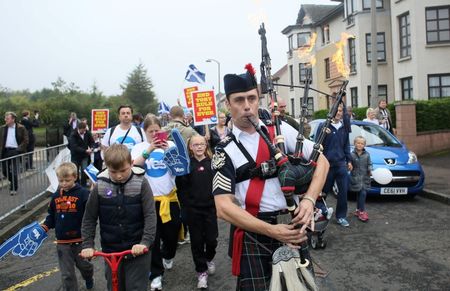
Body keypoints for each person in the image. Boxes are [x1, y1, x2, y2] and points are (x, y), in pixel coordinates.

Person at [212, 66, 329, 290]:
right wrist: (271, 231)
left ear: (259, 99)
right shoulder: (223, 151)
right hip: (256, 230)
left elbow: (322, 161)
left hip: (292, 224)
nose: (247, 106)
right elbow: (223, 207)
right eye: (238, 100)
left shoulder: (280, 129)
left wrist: (309, 199)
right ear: (228, 104)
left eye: (251, 98)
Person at [81, 144, 156, 291]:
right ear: (106, 166)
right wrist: (88, 245)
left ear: (132, 163)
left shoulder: (141, 182)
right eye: (113, 172)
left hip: (137, 249)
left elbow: (150, 215)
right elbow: (89, 218)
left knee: (135, 287)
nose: (119, 175)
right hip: (111, 251)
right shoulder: (100, 185)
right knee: (114, 287)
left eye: (123, 170)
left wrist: (145, 242)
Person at [131, 115, 182, 291]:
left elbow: (180, 169)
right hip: (148, 201)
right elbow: (133, 168)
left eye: (156, 131)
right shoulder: (139, 148)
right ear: (144, 132)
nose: (154, 134)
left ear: (162, 130)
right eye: (150, 131)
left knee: (172, 234)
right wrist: (150, 149)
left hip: (170, 198)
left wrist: (168, 150)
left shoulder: (171, 145)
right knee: (152, 238)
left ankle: (169, 254)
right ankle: (156, 275)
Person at [41, 162, 94, 290]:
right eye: (61, 181)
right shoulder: (56, 196)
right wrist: (45, 226)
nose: (64, 183)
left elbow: (90, 214)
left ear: (75, 177)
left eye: (67, 180)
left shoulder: (83, 194)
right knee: (67, 274)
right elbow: (52, 215)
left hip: (80, 240)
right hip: (62, 242)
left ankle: (88, 276)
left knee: (85, 266)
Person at [175, 135, 218, 289]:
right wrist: (185, 208)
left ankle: (209, 258)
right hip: (193, 210)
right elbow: (181, 189)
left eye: (202, 144)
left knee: (212, 240)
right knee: (197, 242)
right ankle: (201, 272)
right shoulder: (187, 165)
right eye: (195, 144)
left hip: (210, 209)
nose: (199, 147)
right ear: (190, 147)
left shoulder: (213, 163)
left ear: (206, 146)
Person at [317, 104, 353, 227]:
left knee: (343, 192)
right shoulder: (323, 125)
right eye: (337, 110)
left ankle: (341, 216)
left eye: (341, 111)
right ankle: (320, 211)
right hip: (327, 165)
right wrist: (324, 133)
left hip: (341, 164)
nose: (339, 113)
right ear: (332, 111)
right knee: (323, 191)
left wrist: (349, 160)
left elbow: (346, 145)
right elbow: (317, 144)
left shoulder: (344, 127)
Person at [0, 112, 29, 195]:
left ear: (13, 119)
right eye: (5, 118)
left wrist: (18, 149)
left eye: (7, 118)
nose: (5, 120)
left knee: (14, 170)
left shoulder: (21, 128)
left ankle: (14, 188)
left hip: (16, 151)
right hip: (5, 151)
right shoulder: (2, 128)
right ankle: (13, 182)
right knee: (5, 171)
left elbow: (26, 140)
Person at [349, 136, 372, 222]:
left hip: (365, 178)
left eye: (362, 143)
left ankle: (361, 211)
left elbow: (370, 164)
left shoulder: (367, 154)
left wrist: (370, 169)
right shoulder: (351, 154)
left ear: (364, 145)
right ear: (354, 143)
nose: (360, 145)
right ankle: (358, 210)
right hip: (356, 178)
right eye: (358, 143)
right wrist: (349, 165)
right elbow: (348, 163)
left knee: (363, 193)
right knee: (359, 194)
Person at [69, 122, 94, 187]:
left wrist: (91, 148)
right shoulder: (73, 135)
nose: (84, 132)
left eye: (85, 130)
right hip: (75, 156)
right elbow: (74, 147)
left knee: (84, 170)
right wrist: (85, 151)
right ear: (78, 129)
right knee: (75, 171)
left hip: (84, 156)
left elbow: (92, 142)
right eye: (82, 130)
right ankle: (76, 184)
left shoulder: (87, 133)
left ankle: (83, 185)